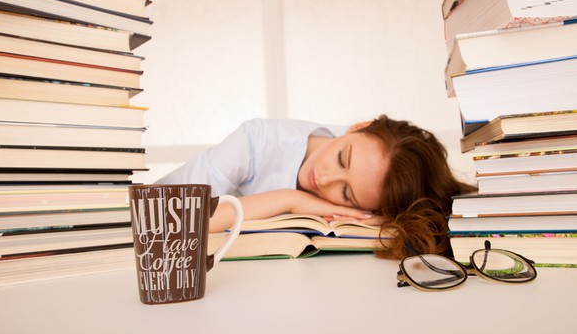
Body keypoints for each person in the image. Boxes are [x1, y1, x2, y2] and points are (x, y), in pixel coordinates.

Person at [157, 115, 476, 260]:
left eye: (346, 194)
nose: (323, 180)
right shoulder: (257, 141)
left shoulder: (377, 193)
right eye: (341, 158)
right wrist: (288, 199)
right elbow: (162, 219)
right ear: (358, 126)